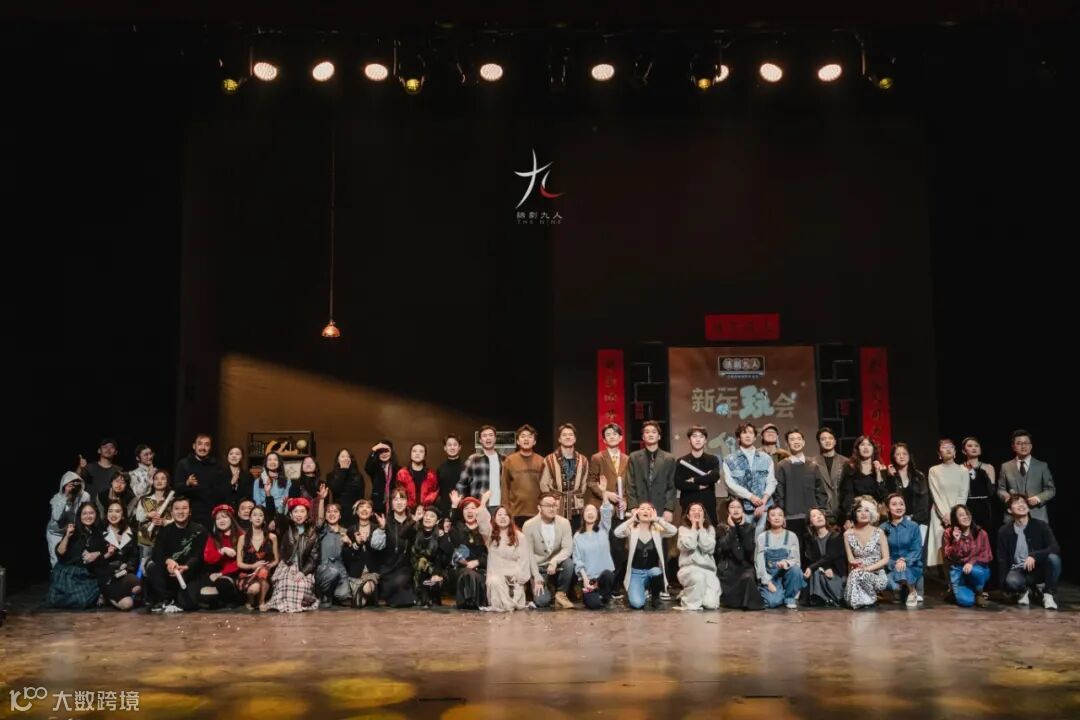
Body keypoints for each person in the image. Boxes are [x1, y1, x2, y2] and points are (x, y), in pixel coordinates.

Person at [476, 490, 541, 612]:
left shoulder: (520, 537)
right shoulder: (490, 536)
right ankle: (504, 605)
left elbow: (524, 561)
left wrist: (519, 578)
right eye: (499, 515)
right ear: (494, 518)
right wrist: (483, 502)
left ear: (510, 518)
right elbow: (483, 523)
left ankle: (511, 602)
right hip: (496, 578)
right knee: (495, 582)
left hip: (514, 579)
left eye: (505, 515)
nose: (502, 517)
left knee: (513, 600)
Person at [586, 423, 630, 596]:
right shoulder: (597, 458)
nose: (612, 436)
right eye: (608, 434)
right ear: (604, 439)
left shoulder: (627, 459)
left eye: (615, 434)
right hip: (602, 507)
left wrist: (626, 500)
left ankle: (616, 584)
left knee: (619, 548)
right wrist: (606, 493)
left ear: (621, 438)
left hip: (620, 509)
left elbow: (630, 484)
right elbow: (591, 482)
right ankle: (601, 584)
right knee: (603, 547)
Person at [997, 494, 1060, 610]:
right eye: (1016, 503)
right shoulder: (1004, 531)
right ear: (1009, 510)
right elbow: (1002, 559)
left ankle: (1048, 594)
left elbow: (1054, 547)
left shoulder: (1041, 525)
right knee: (1011, 581)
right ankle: (1024, 590)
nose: (1021, 505)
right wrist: (1004, 587)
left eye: (1023, 502)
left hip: (1038, 569)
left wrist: (1034, 556)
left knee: (1054, 559)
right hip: (1019, 571)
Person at [146, 496, 207, 613]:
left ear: (190, 511)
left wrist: (187, 567)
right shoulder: (165, 530)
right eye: (177, 509)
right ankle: (166, 599)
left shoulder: (200, 530)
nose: (180, 512)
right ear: (172, 512)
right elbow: (156, 553)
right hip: (169, 572)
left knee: (188, 604)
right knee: (151, 567)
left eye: (184, 508)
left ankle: (177, 598)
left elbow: (199, 555)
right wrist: (168, 561)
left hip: (189, 573)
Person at [613, 502, 678, 609]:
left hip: (652, 571)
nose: (645, 511)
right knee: (637, 604)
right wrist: (631, 519)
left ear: (653, 512)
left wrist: (657, 519)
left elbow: (673, 531)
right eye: (642, 509)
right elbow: (617, 532)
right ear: (637, 512)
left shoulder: (657, 529)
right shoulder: (632, 528)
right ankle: (640, 590)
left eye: (649, 509)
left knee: (657, 571)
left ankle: (655, 597)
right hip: (636, 573)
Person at [45, 501, 105, 609]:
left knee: (86, 598)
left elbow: (104, 551)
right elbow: (60, 552)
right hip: (68, 573)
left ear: (96, 515)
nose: (88, 516)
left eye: (91, 513)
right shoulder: (73, 530)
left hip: (86, 574)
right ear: (79, 516)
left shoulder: (99, 534)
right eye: (84, 513)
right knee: (73, 600)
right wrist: (67, 536)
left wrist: (97, 553)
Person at [265, 497, 320, 613]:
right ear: (290, 514)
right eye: (295, 511)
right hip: (287, 565)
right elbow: (279, 519)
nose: (299, 515)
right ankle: (284, 605)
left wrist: (303, 572)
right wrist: (282, 506)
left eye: (302, 511)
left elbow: (313, 558)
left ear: (307, 514)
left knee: (301, 584)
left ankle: (298, 604)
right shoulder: (286, 527)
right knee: (286, 582)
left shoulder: (312, 533)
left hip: (303, 567)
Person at [773, 428, 829, 540]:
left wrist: (821, 511)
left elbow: (820, 491)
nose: (796, 442)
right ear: (787, 443)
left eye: (799, 439)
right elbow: (779, 493)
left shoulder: (813, 465)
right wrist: (782, 514)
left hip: (811, 518)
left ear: (803, 442)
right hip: (790, 517)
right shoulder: (782, 466)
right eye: (792, 439)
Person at [522, 492, 575, 609]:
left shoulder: (564, 523)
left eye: (554, 505)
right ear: (539, 507)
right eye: (547, 505)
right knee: (542, 602)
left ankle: (561, 594)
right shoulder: (528, 525)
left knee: (569, 563)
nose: (552, 508)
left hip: (556, 566)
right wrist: (536, 576)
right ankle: (546, 589)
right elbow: (528, 554)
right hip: (539, 567)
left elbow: (568, 548)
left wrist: (555, 560)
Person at [723, 423, 776, 534]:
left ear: (755, 437)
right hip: (742, 509)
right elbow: (729, 484)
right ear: (738, 437)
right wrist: (750, 497)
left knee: (762, 541)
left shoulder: (766, 458)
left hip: (764, 508)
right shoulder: (729, 459)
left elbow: (771, 481)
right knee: (744, 541)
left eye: (751, 433)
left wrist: (763, 502)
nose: (748, 435)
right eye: (744, 433)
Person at [715, 497, 765, 610]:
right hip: (728, 568)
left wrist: (742, 529)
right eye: (732, 507)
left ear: (743, 510)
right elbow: (725, 547)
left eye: (738, 507)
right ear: (728, 511)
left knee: (748, 577)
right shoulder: (721, 528)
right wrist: (732, 529)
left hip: (744, 567)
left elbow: (748, 549)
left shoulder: (750, 527)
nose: (736, 510)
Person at [996, 430, 1055, 525]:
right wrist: (1007, 497)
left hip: (1037, 516)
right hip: (1013, 516)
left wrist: (1038, 499)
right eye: (1019, 443)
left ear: (1031, 446)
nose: (1023, 446)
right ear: (1013, 447)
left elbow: (1051, 490)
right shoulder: (1006, 466)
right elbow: (1000, 489)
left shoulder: (1042, 466)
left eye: (1026, 443)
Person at [927, 439, 968, 570]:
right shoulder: (934, 470)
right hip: (940, 515)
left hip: (958, 514)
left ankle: (958, 579)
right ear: (939, 453)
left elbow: (963, 494)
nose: (948, 449)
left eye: (951, 446)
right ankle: (946, 579)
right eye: (944, 447)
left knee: (959, 546)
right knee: (942, 549)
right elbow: (935, 494)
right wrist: (946, 515)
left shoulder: (963, 471)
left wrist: (955, 515)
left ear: (955, 452)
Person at [540, 424, 590, 531]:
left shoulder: (583, 460)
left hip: (576, 508)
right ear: (559, 439)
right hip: (556, 507)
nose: (568, 437)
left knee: (575, 536)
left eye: (570, 435)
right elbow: (543, 484)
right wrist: (552, 501)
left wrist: (575, 497)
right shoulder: (549, 459)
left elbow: (584, 484)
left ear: (575, 439)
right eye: (564, 435)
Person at [627, 421, 677, 524]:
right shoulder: (634, 457)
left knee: (661, 534)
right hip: (640, 507)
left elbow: (672, 486)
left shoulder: (669, 458)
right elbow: (630, 484)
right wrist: (633, 507)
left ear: (659, 436)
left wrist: (669, 508)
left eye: (654, 432)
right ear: (643, 437)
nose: (650, 434)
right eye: (647, 432)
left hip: (661, 506)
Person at [377, 487, 420, 607]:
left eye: (402, 499)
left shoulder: (414, 522)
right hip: (388, 569)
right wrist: (381, 528)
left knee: (401, 583)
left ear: (407, 502)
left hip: (406, 569)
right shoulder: (386, 522)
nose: (399, 502)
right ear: (391, 503)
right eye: (395, 499)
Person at [942, 504, 992, 607]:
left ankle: (979, 593)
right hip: (959, 570)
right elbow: (948, 556)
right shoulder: (949, 533)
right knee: (966, 602)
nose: (965, 517)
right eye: (961, 515)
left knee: (975, 571)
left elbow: (987, 555)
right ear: (955, 519)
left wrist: (971, 562)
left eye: (967, 514)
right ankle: (963, 592)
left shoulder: (981, 533)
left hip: (978, 569)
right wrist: (956, 541)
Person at [843, 498, 889, 609]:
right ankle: (862, 602)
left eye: (867, 510)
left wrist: (867, 569)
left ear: (871, 513)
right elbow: (850, 559)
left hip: (876, 574)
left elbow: (886, 559)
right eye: (859, 511)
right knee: (856, 574)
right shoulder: (847, 534)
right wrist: (856, 565)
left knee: (858, 574)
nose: (863, 513)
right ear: (854, 515)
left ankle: (867, 599)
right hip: (857, 573)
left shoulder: (879, 532)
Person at [755, 506, 805, 609]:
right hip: (771, 578)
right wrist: (767, 582)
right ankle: (779, 593)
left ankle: (789, 597)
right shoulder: (762, 537)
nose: (777, 518)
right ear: (768, 519)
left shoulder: (791, 536)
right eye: (773, 515)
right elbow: (759, 563)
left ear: (784, 518)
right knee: (773, 602)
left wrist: (786, 563)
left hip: (787, 576)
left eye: (780, 515)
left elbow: (796, 560)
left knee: (796, 570)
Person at [174, 434, 228, 528]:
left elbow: (221, 491)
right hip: (189, 513)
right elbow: (176, 488)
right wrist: (187, 484)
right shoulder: (184, 464)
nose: (203, 448)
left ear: (210, 448)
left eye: (206, 445)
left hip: (209, 513)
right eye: (200, 444)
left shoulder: (216, 466)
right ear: (194, 446)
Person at [446, 491, 488, 609]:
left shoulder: (484, 530)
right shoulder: (457, 528)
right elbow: (452, 520)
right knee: (467, 574)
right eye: (466, 508)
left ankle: (474, 604)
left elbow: (490, 553)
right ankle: (469, 605)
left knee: (477, 576)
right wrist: (454, 505)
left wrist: (478, 562)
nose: (469, 511)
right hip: (460, 568)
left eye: (473, 508)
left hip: (480, 568)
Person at [674, 426, 722, 527]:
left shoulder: (712, 459)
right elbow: (679, 483)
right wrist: (698, 486)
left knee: (711, 533)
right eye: (694, 436)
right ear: (689, 440)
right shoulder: (682, 461)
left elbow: (714, 477)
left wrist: (694, 480)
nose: (698, 439)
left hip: (708, 505)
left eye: (701, 436)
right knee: (687, 533)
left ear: (705, 440)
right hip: (688, 504)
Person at [341, 499, 386, 608]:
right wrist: (356, 544)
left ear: (372, 512)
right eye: (361, 507)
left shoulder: (377, 528)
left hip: (372, 572)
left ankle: (366, 594)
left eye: (368, 507)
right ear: (357, 511)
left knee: (367, 588)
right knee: (360, 604)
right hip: (356, 573)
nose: (364, 509)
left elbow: (382, 552)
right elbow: (347, 557)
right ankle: (364, 597)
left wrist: (381, 530)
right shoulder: (351, 530)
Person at [675, 502, 720, 610]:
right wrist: (694, 528)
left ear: (704, 515)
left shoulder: (710, 529)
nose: (696, 512)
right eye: (693, 510)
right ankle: (686, 598)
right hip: (690, 568)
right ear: (688, 515)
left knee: (710, 604)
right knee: (698, 578)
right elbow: (690, 545)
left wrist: (701, 528)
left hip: (707, 570)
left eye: (700, 510)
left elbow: (708, 547)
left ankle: (690, 593)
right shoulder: (683, 529)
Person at [881, 494, 923, 607]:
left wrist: (904, 560)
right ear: (888, 508)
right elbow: (882, 552)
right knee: (884, 581)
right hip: (891, 565)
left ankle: (912, 591)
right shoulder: (882, 528)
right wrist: (894, 563)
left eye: (901, 504)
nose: (899, 507)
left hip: (912, 565)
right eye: (894, 504)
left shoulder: (913, 526)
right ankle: (901, 590)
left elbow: (917, 549)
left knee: (903, 569)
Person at [572, 500, 616, 609]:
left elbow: (606, 510)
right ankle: (598, 596)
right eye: (588, 510)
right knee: (594, 604)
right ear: (583, 515)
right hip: (589, 580)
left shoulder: (603, 529)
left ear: (597, 515)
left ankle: (605, 596)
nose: (590, 513)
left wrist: (604, 494)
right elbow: (577, 560)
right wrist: (585, 579)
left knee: (608, 575)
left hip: (603, 579)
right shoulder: (578, 536)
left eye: (593, 510)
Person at [99, 500, 141, 610]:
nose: (113, 514)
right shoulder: (100, 533)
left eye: (117, 511)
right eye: (110, 511)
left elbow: (134, 557)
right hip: (107, 577)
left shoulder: (132, 533)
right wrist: (107, 555)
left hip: (124, 575)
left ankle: (110, 597)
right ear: (106, 514)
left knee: (137, 585)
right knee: (127, 604)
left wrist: (127, 567)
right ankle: (107, 595)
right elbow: (97, 562)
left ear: (123, 515)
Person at [199, 504, 243, 609]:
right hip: (216, 572)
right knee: (204, 594)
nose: (221, 520)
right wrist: (222, 551)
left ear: (231, 519)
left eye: (224, 517)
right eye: (218, 519)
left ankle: (233, 600)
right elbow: (208, 558)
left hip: (235, 573)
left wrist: (222, 573)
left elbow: (241, 561)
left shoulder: (241, 535)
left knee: (223, 584)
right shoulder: (213, 537)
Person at [838, 436, 892, 520]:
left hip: (876, 514)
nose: (866, 447)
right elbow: (847, 495)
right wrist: (848, 517)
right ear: (857, 448)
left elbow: (883, 495)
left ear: (873, 449)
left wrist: (878, 473)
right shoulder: (850, 467)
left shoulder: (881, 468)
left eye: (869, 445)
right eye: (862, 445)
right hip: (856, 512)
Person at [801, 507, 846, 607]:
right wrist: (824, 567)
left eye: (820, 514)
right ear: (810, 523)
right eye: (814, 516)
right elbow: (812, 558)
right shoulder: (810, 539)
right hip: (820, 572)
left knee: (815, 570)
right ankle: (820, 599)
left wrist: (816, 567)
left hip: (836, 573)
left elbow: (830, 556)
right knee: (816, 572)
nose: (819, 517)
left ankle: (830, 598)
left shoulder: (836, 536)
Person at [236, 505, 279, 611]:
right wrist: (253, 566)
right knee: (254, 589)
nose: (258, 518)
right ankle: (250, 600)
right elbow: (239, 563)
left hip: (266, 573)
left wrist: (268, 566)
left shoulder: (272, 537)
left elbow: (276, 560)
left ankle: (261, 602)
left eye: (261, 515)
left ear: (264, 519)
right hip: (248, 573)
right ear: (250, 518)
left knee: (263, 572)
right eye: (255, 515)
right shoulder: (243, 538)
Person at [501, 425, 545, 527]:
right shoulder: (509, 460)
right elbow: (504, 486)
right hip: (515, 512)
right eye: (523, 436)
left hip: (537, 512)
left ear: (534, 442)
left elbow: (545, 488)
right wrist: (506, 509)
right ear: (517, 441)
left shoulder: (541, 461)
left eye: (530, 436)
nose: (526, 439)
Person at [47, 471, 92, 567]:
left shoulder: (84, 496)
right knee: (56, 561)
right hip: (56, 532)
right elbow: (56, 517)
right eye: (71, 483)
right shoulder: (57, 497)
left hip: (73, 531)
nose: (74, 485)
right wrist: (65, 496)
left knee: (74, 558)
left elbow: (86, 511)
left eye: (76, 482)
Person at [457, 426, 503, 515]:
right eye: (484, 435)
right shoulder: (473, 459)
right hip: (479, 505)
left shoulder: (504, 459)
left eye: (490, 435)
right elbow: (461, 484)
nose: (488, 438)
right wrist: (464, 505)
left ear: (495, 438)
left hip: (500, 508)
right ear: (480, 440)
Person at [132, 469, 174, 562]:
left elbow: (176, 520)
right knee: (143, 565)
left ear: (167, 481)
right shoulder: (145, 499)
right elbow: (138, 517)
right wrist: (148, 515)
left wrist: (164, 522)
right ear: (153, 482)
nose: (159, 481)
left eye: (163, 478)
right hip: (145, 539)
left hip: (165, 539)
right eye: (156, 479)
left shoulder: (172, 501)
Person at [315, 503, 352, 607]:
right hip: (324, 568)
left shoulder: (345, 532)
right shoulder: (322, 530)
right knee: (332, 573)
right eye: (329, 512)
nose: (332, 514)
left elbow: (351, 556)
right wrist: (322, 500)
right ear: (326, 516)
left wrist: (349, 543)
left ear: (340, 515)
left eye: (335, 511)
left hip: (340, 570)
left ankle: (333, 594)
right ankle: (323, 594)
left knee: (344, 595)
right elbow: (320, 520)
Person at [412, 506, 448, 607]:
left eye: (432, 516)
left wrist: (436, 573)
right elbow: (402, 534)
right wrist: (415, 519)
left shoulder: (440, 535)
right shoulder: (416, 532)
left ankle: (433, 596)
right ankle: (421, 596)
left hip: (435, 570)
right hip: (417, 571)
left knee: (437, 580)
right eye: (426, 515)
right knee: (421, 561)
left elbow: (442, 558)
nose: (428, 518)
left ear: (437, 521)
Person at [809, 427, 846, 523]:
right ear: (819, 442)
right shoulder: (812, 463)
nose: (827, 441)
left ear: (835, 441)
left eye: (830, 438)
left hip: (843, 510)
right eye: (823, 439)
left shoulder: (845, 462)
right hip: (822, 511)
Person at [961, 437, 996, 534]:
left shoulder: (988, 467)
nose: (974, 448)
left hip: (984, 506)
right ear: (964, 451)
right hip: (966, 505)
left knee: (985, 535)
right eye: (970, 446)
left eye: (976, 446)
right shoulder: (960, 468)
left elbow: (991, 491)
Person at [395, 443, 439, 511]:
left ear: (425, 456)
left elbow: (434, 493)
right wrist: (413, 507)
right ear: (410, 455)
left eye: (421, 451)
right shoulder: (402, 473)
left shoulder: (431, 475)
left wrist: (423, 506)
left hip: (426, 510)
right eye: (414, 451)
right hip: (406, 510)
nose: (417, 453)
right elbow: (401, 493)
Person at [326, 448, 363, 523]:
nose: (345, 459)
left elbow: (361, 495)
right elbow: (336, 489)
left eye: (348, 456)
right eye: (342, 456)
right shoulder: (331, 475)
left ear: (351, 460)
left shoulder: (358, 476)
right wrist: (343, 470)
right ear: (338, 460)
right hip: (338, 512)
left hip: (354, 511)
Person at [366, 440, 401, 517]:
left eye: (386, 451)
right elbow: (367, 467)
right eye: (380, 451)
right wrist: (374, 450)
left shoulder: (398, 469)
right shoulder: (375, 468)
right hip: (378, 503)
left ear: (391, 452)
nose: (384, 454)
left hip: (394, 503)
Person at [252, 451, 291, 517]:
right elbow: (257, 501)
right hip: (263, 513)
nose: (272, 462)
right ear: (265, 463)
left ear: (279, 463)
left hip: (280, 513)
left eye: (275, 460)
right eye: (269, 460)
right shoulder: (257, 481)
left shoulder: (287, 481)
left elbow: (284, 501)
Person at [435, 435, 465, 520]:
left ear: (459, 447)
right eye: (449, 445)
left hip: (463, 510)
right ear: (445, 448)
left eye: (455, 445)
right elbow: (439, 492)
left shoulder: (466, 468)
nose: (452, 447)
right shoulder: (440, 468)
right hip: (444, 511)